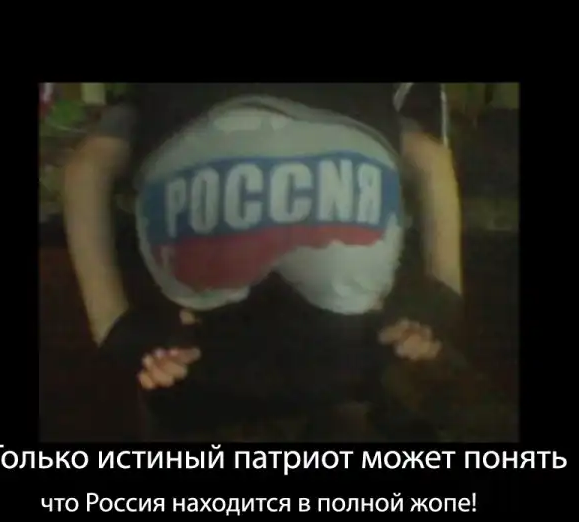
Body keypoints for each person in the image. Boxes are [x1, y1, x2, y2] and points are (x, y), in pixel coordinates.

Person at [62, 83, 462, 440]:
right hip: (331, 352)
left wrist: (112, 325)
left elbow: (88, 167)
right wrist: (443, 293)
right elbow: (430, 159)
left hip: (221, 352)